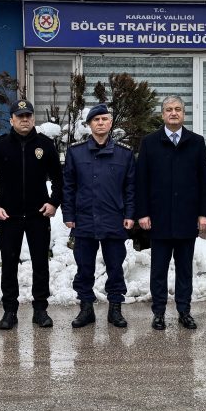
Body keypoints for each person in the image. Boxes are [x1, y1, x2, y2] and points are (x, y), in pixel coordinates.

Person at [0, 100, 63, 330]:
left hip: (38, 216)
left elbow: (59, 179)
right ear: (12, 120)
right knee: (9, 264)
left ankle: (40, 310)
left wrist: (53, 202)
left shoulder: (45, 144)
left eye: (28, 115)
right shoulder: (0, 146)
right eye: (20, 116)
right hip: (9, 217)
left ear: (33, 118)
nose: (25, 119)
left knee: (40, 264)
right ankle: (10, 311)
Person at [135, 95, 206, 330]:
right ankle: (158, 312)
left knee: (185, 269)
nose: (173, 113)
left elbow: (205, 181)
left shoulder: (196, 142)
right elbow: (141, 181)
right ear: (162, 114)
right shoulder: (149, 143)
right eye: (169, 109)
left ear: (184, 114)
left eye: (178, 109)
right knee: (158, 269)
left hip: (187, 218)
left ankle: (184, 311)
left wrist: (204, 213)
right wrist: (143, 213)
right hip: (159, 219)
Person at [63, 103, 136, 329]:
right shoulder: (76, 152)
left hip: (114, 218)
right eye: (96, 120)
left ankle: (115, 309)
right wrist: (68, 214)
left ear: (111, 123)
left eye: (104, 119)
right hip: (84, 219)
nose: (101, 123)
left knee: (115, 267)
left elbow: (131, 187)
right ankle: (86, 309)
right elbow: (69, 186)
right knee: (84, 267)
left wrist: (130, 213)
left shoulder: (124, 153)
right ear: (89, 124)